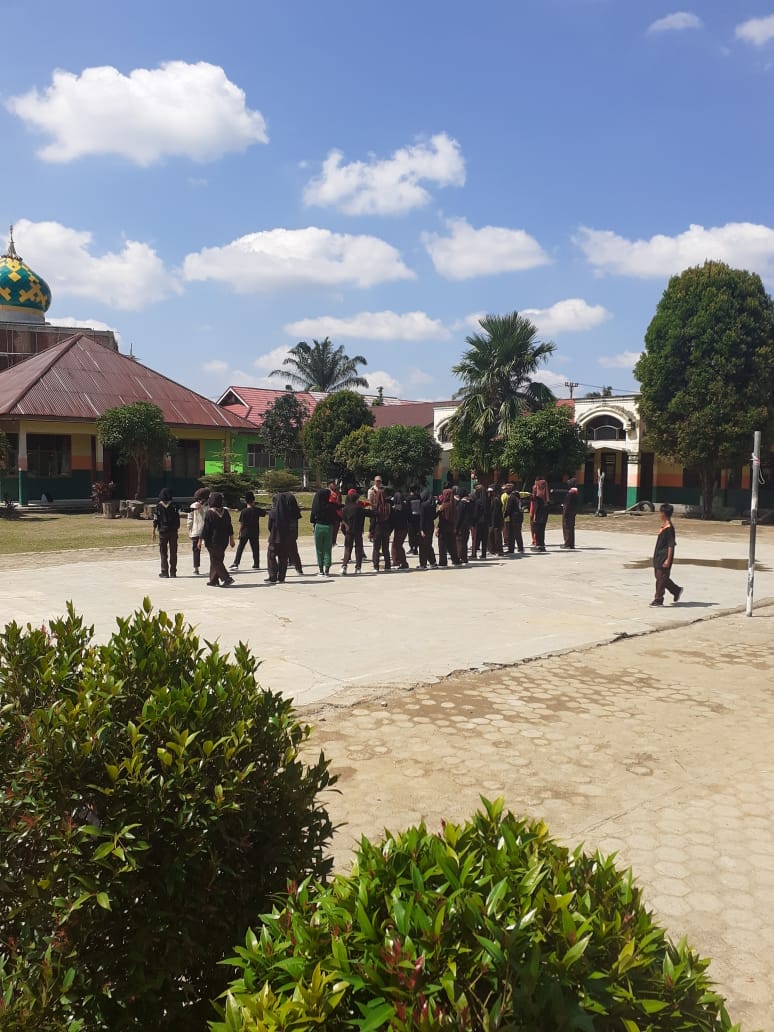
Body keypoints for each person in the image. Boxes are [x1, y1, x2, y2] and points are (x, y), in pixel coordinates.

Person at [650, 503, 683, 606]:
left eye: (660, 512)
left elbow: (671, 545)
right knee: (660, 576)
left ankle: (658, 599)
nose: (659, 515)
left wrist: (668, 559)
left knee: (661, 578)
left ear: (664, 514)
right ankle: (676, 590)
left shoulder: (669, 528)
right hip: (658, 555)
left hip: (664, 556)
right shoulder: (664, 526)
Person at [266, 492, 302, 584]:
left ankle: (273, 576)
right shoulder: (289, 513)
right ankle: (281, 577)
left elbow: (269, 526)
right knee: (283, 558)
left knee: (271, 556)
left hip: (275, 537)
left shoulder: (272, 512)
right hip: (286, 538)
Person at [201, 491, 235, 586]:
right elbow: (229, 526)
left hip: (213, 541)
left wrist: (200, 540)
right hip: (224, 540)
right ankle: (213, 580)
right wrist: (231, 538)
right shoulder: (226, 512)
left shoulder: (209, 513)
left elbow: (206, 529)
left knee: (216, 560)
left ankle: (227, 578)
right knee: (218, 559)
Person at [230, 491, 268, 571]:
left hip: (245, 531)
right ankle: (256, 564)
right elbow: (264, 513)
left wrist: (239, 532)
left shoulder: (244, 511)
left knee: (240, 548)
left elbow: (242, 523)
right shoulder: (257, 510)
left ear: (246, 501)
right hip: (254, 531)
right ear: (253, 500)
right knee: (255, 548)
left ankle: (236, 563)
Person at [152, 488, 180, 578]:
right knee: (173, 552)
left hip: (163, 532)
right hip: (173, 531)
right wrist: (176, 527)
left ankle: (164, 572)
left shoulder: (158, 506)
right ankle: (173, 572)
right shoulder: (174, 506)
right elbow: (177, 518)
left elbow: (155, 519)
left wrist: (153, 531)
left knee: (163, 552)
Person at [310, 486, 338, 576]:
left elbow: (312, 519)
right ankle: (327, 570)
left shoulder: (317, 506)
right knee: (327, 549)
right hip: (329, 527)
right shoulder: (331, 506)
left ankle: (321, 569)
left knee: (319, 549)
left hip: (319, 526)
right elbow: (336, 517)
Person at [341, 488, 370, 574]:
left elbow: (343, 520)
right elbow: (369, 513)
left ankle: (344, 566)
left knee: (347, 548)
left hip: (349, 531)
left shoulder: (345, 508)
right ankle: (358, 567)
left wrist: (345, 528)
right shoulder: (359, 508)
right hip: (358, 531)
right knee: (358, 548)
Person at [186, 487, 209, 575]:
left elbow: (190, 520)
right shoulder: (208, 506)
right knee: (211, 549)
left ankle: (196, 568)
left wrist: (190, 530)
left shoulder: (193, 506)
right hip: (207, 530)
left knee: (196, 550)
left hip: (196, 531)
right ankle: (214, 566)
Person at [371, 483, 392, 572]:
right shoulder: (388, 506)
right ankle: (388, 565)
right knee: (385, 548)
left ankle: (376, 566)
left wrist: (371, 531)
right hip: (386, 527)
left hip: (378, 527)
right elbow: (391, 518)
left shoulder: (376, 506)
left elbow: (373, 520)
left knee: (376, 548)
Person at [436, 487, 460, 566]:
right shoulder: (453, 505)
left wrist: (437, 528)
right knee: (452, 545)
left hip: (443, 527)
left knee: (442, 546)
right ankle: (455, 560)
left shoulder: (444, 505)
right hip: (451, 527)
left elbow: (441, 518)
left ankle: (443, 562)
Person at [418, 487, 438, 569]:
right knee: (428, 545)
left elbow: (422, 518)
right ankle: (433, 562)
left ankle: (423, 564)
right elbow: (434, 516)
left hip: (424, 528)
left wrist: (421, 529)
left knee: (422, 547)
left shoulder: (423, 505)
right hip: (430, 526)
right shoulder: (433, 505)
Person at [390, 490, 410, 570]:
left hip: (399, 528)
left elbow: (394, 519)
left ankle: (403, 562)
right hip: (404, 527)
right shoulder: (405, 506)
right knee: (396, 545)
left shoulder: (396, 508)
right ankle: (396, 560)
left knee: (397, 545)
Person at [531, 476, 550, 553]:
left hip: (538, 513)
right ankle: (542, 545)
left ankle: (539, 545)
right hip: (544, 513)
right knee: (542, 529)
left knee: (537, 529)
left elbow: (534, 506)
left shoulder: (537, 498)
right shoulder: (546, 498)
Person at [503, 484, 524, 554]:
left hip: (514, 517)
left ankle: (512, 548)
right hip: (519, 516)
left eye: (506, 489)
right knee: (517, 533)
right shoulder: (517, 496)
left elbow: (509, 508)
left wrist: (504, 516)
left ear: (510, 489)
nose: (505, 491)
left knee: (512, 533)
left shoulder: (512, 497)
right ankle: (519, 548)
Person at [471, 484, 490, 559]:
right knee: (484, 539)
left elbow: (475, 513)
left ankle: (474, 553)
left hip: (478, 522)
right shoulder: (487, 501)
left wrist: (473, 522)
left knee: (476, 538)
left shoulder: (477, 501)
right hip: (486, 522)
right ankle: (483, 554)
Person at [455, 487, 473, 563]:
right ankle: (464, 557)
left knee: (459, 542)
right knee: (464, 542)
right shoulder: (470, 503)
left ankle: (460, 557)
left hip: (461, 526)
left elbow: (459, 517)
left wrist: (456, 527)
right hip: (467, 525)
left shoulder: (461, 504)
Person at [560, 477, 579, 549]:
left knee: (567, 527)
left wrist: (565, 512)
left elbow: (568, 504)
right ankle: (571, 543)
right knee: (571, 528)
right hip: (572, 512)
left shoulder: (571, 493)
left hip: (568, 513)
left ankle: (567, 544)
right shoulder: (575, 492)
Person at [488, 485, 504, 556]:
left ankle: (499, 551)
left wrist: (495, 523)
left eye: (490, 492)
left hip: (496, 521)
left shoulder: (496, 500)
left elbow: (496, 513)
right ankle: (492, 550)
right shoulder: (490, 500)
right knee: (491, 536)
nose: (489, 493)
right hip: (491, 521)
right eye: (488, 492)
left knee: (497, 536)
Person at [328, 480, 343, 547]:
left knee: (336, 527)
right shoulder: (327, 492)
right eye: (333, 484)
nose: (334, 485)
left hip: (338, 512)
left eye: (334, 484)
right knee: (331, 527)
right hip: (330, 512)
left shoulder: (338, 492)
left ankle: (334, 541)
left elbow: (340, 501)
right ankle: (330, 541)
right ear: (329, 485)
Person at [407, 486, 422, 554]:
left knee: (411, 534)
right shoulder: (419, 498)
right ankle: (416, 548)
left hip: (411, 519)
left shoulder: (409, 498)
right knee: (417, 533)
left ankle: (412, 548)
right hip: (418, 518)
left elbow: (407, 509)